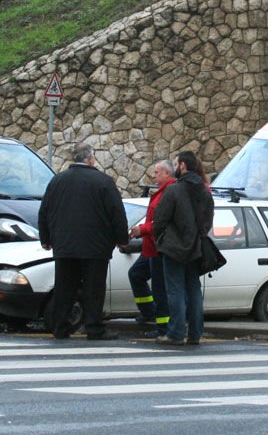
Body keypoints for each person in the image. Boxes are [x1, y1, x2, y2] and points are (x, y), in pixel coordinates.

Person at [38, 141, 129, 341]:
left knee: (64, 287)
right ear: (89, 159)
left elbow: (44, 210)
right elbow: (117, 213)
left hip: (65, 246)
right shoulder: (103, 181)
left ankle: (60, 327)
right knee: (93, 289)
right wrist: (122, 239)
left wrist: (45, 238)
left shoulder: (57, 181)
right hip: (95, 247)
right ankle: (94, 328)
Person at [152, 150, 214, 346]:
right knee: (194, 290)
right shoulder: (205, 190)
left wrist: (161, 237)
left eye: (176, 163)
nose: (176, 166)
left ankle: (176, 333)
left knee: (175, 291)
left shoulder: (174, 190)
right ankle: (195, 333)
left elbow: (160, 220)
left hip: (174, 248)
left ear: (183, 166)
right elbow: (207, 221)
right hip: (196, 248)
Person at [127, 159, 175, 338]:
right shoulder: (161, 192)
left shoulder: (168, 193)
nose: (153, 176)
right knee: (136, 275)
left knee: (160, 290)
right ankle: (149, 312)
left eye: (157, 172)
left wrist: (142, 230)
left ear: (167, 174)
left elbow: (160, 223)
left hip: (158, 249)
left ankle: (162, 327)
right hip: (150, 247)